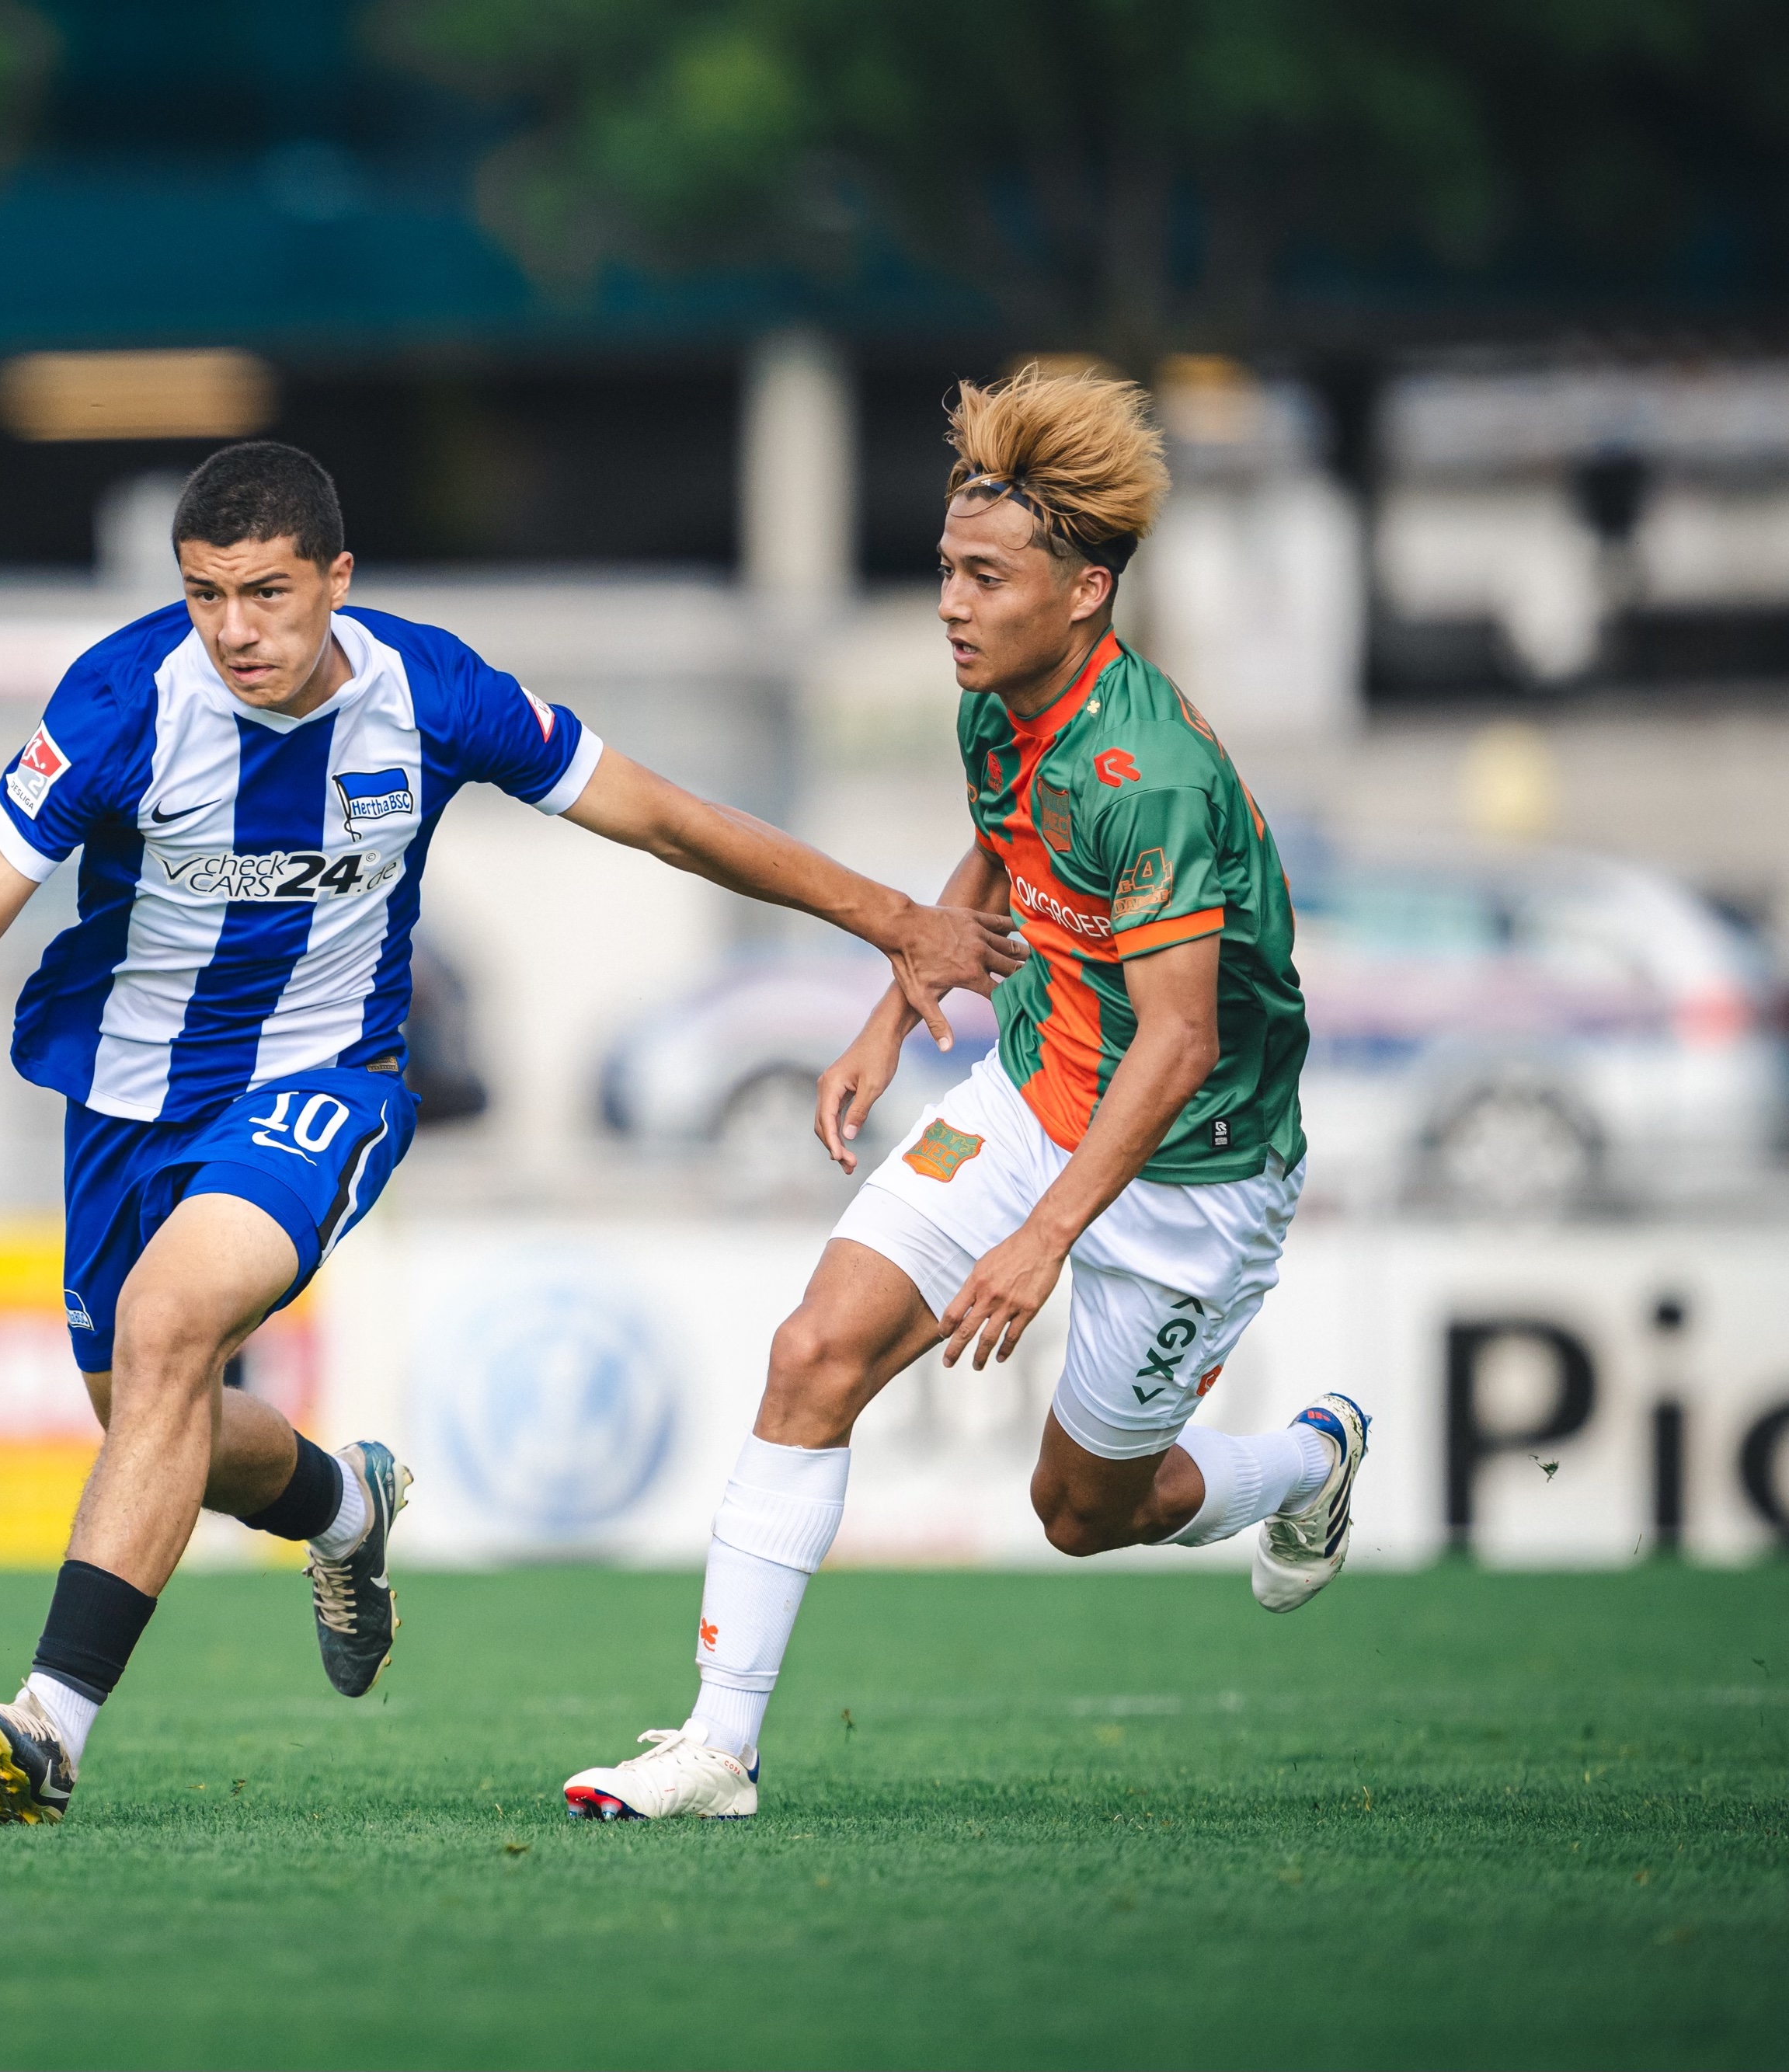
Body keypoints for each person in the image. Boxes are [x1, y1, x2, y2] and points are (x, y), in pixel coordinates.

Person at [0, 441, 1025, 1825]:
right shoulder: (123, 701)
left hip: (327, 1081)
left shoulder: (431, 690)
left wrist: (898, 920)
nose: (235, 630)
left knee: (172, 1324)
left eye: (266, 593)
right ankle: (339, 1506)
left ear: (336, 580)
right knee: (142, 1405)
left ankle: (50, 1725)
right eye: (204, 595)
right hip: (123, 1102)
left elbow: (666, 820)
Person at [561, 367, 1370, 1824]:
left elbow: (1179, 1046)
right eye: (944, 569)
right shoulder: (998, 708)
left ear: (1085, 592)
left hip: (1195, 1172)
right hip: (1035, 1090)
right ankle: (716, 1749)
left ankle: (1308, 1463)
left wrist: (1045, 1237)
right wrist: (894, 1008)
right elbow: (1001, 861)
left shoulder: (1154, 779)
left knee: (1083, 1515)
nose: (950, 601)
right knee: (814, 1353)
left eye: (985, 577)